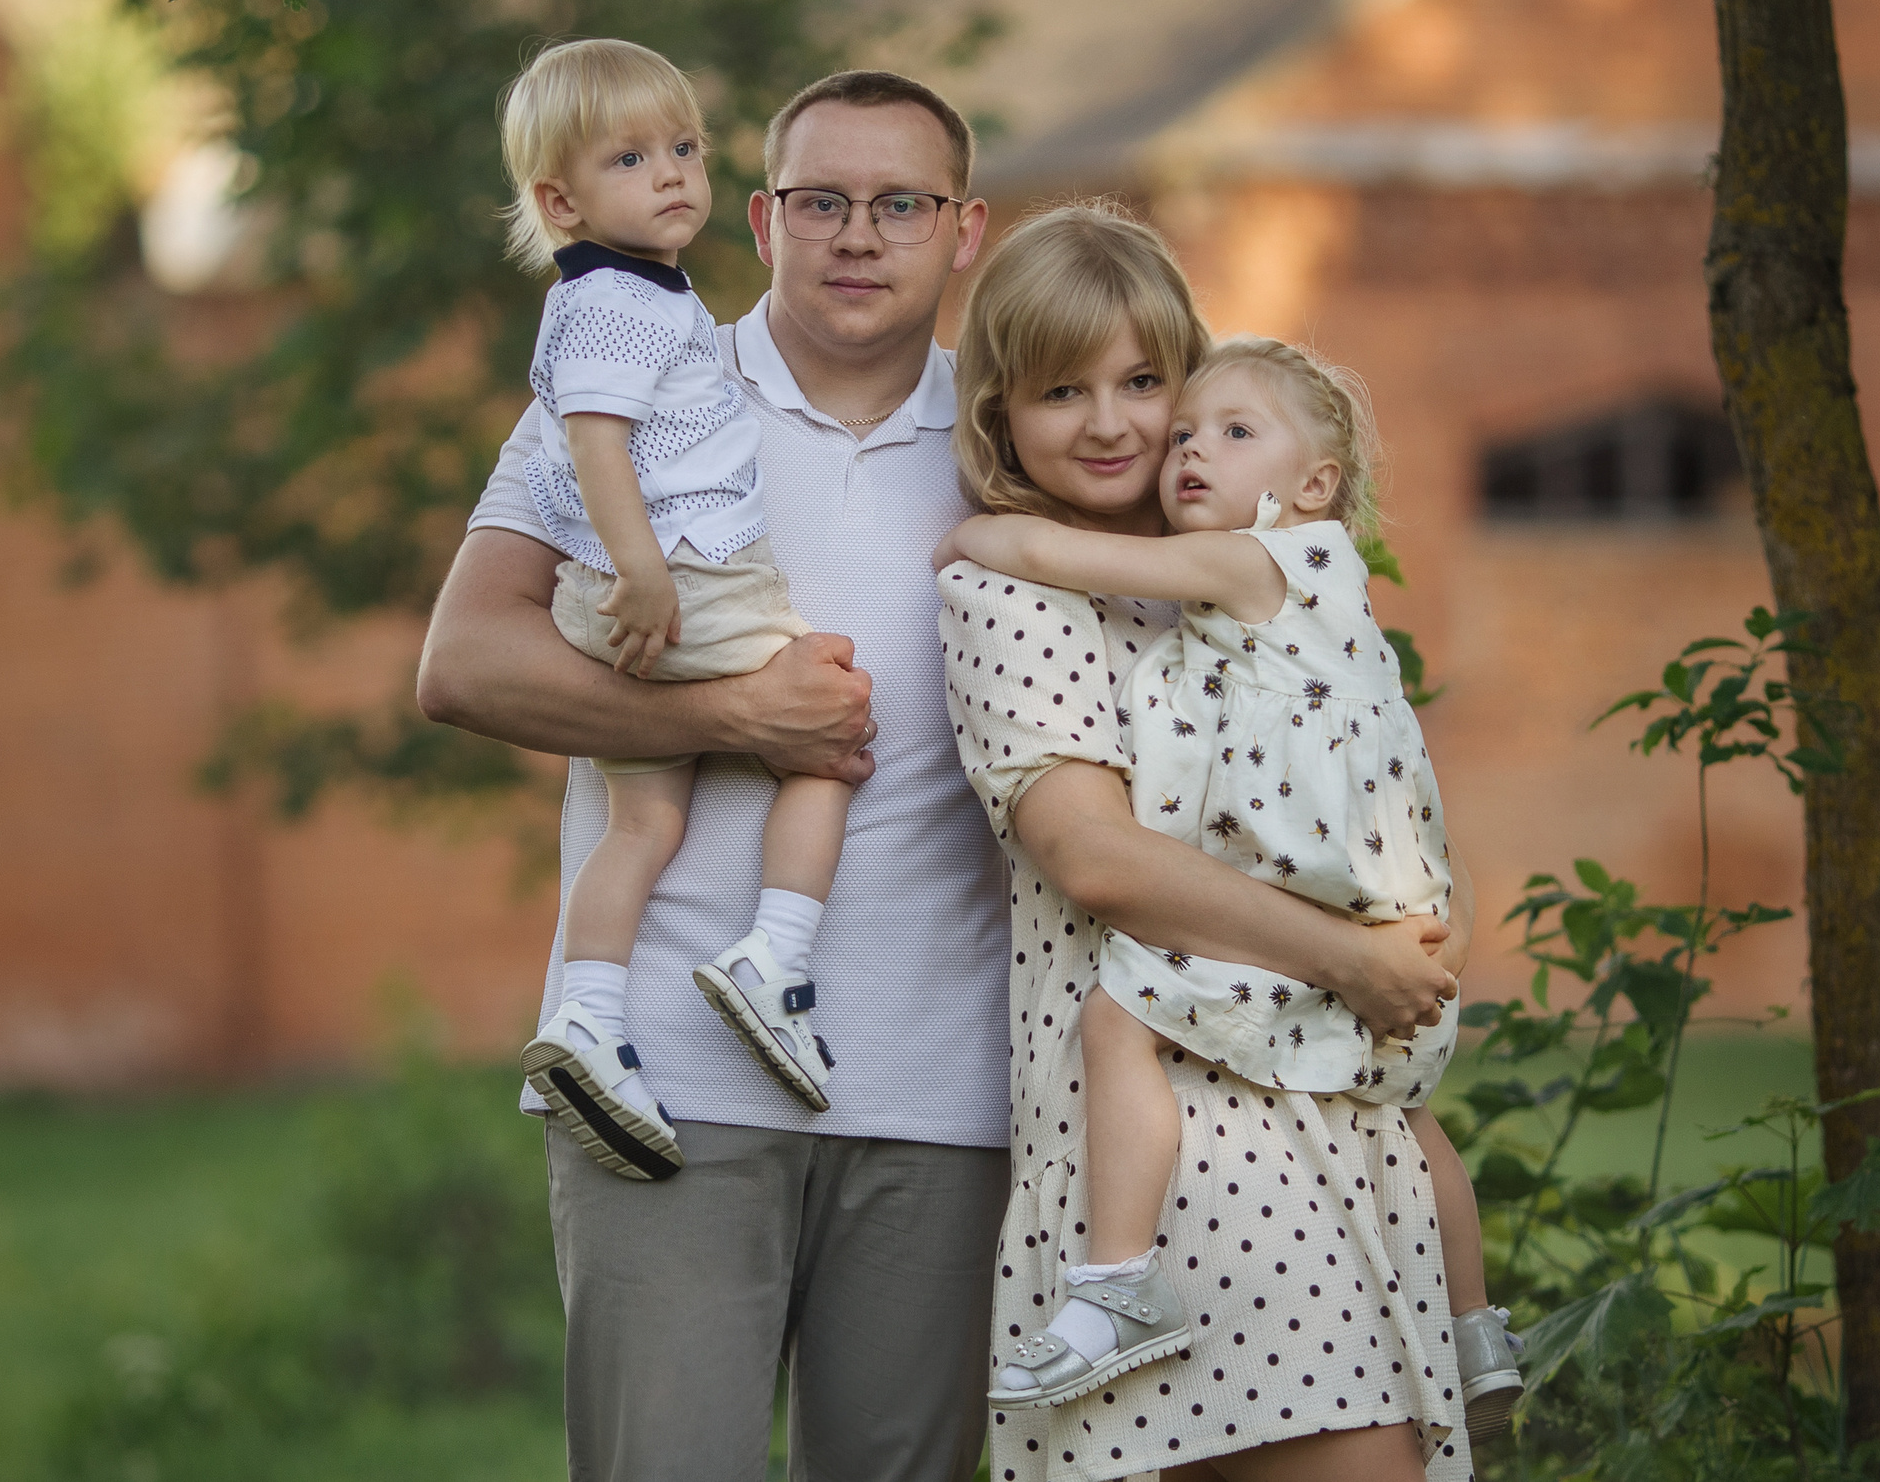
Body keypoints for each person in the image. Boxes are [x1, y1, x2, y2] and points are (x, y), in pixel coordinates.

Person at [415, 77, 1459, 1482]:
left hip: (952, 1101)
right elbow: (464, 660)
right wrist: (739, 711)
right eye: (820, 201)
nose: (859, 235)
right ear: (760, 216)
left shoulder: (1029, 439)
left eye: (900, 203)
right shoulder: (631, 393)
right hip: (671, 1070)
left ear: (964, 229)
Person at [934, 202, 1478, 1482]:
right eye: (1063, 391)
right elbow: (1100, 861)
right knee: (1353, 1459)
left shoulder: (1242, 569)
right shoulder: (1013, 592)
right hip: (1172, 1104)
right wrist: (1356, 958)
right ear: (999, 411)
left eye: (1143, 383)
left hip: (1317, 1079)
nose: (1115, 424)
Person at [499, 39, 854, 1179]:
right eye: (633, 157)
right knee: (827, 725)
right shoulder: (616, 304)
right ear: (560, 201)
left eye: (688, 148)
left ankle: (588, 1019)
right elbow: (599, 445)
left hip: (617, 593)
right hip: (683, 580)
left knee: (642, 824)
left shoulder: (621, 292)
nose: (674, 175)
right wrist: (642, 570)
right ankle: (775, 956)